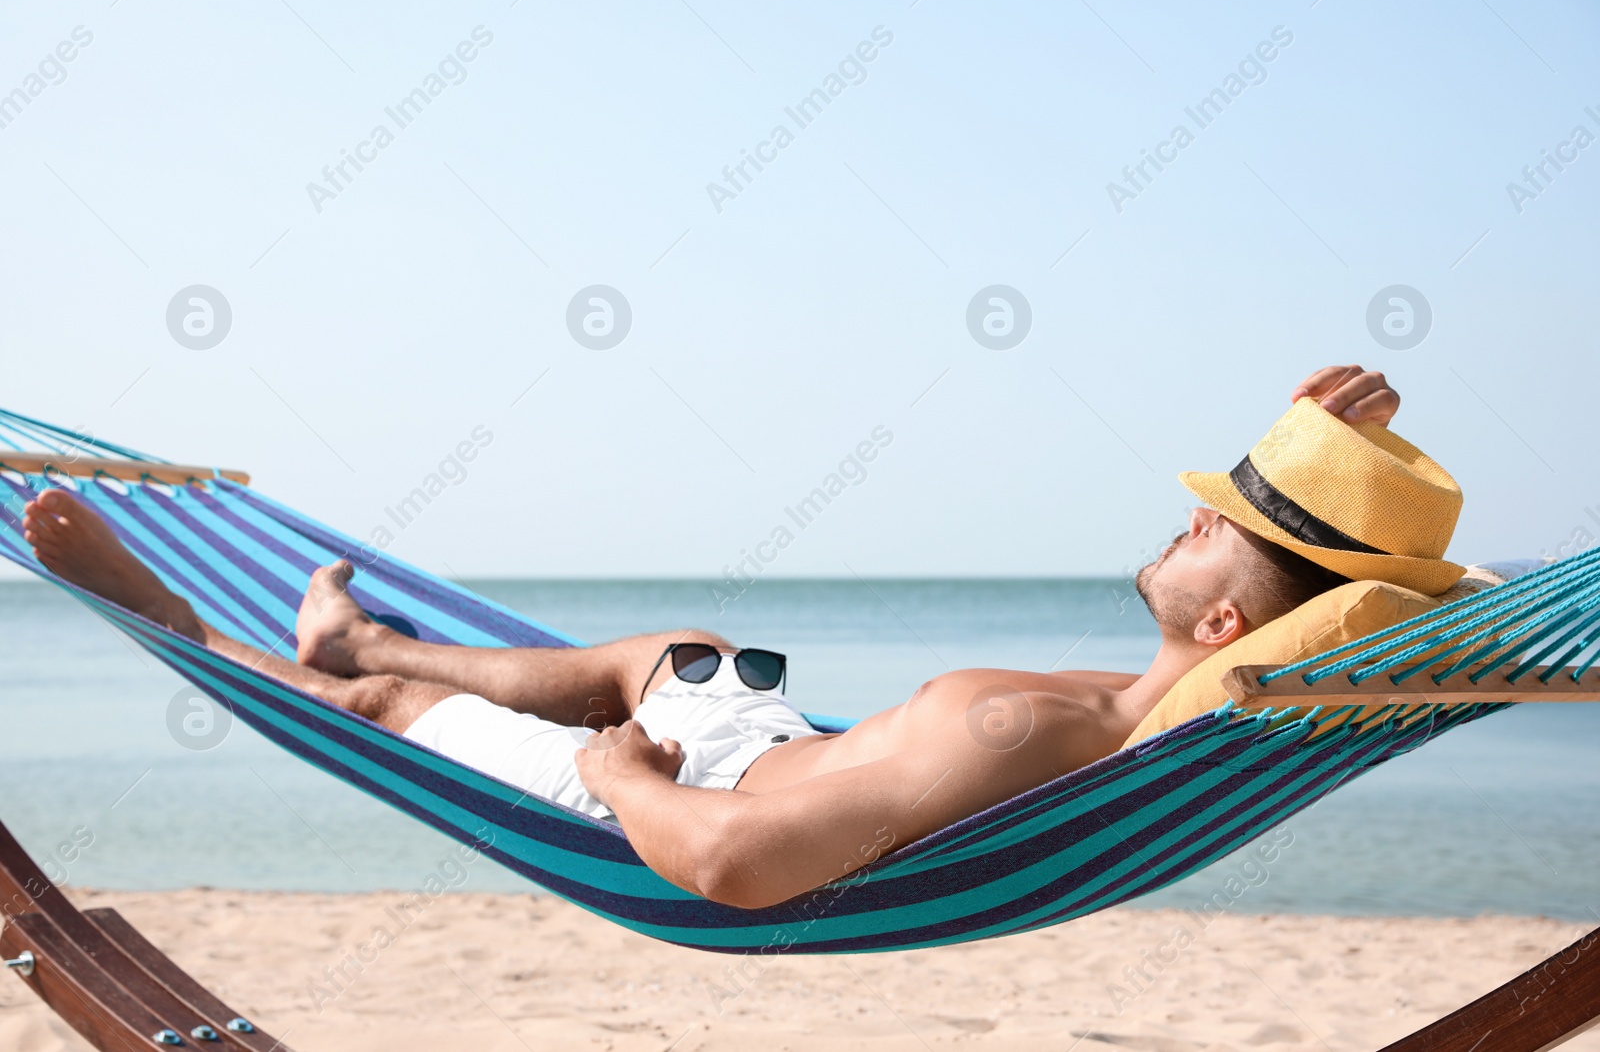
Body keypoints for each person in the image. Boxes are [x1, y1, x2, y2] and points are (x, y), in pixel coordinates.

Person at [21, 365, 1464, 910]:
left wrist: (627, 776)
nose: (1178, 521)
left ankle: (198, 625)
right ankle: (367, 645)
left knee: (411, 733)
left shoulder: (1033, 729)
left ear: (1219, 614)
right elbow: (1292, 639)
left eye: (1211, 525)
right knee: (677, 642)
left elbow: (730, 870)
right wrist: (1313, 461)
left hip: (682, 809)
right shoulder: (1165, 704)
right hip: (771, 748)